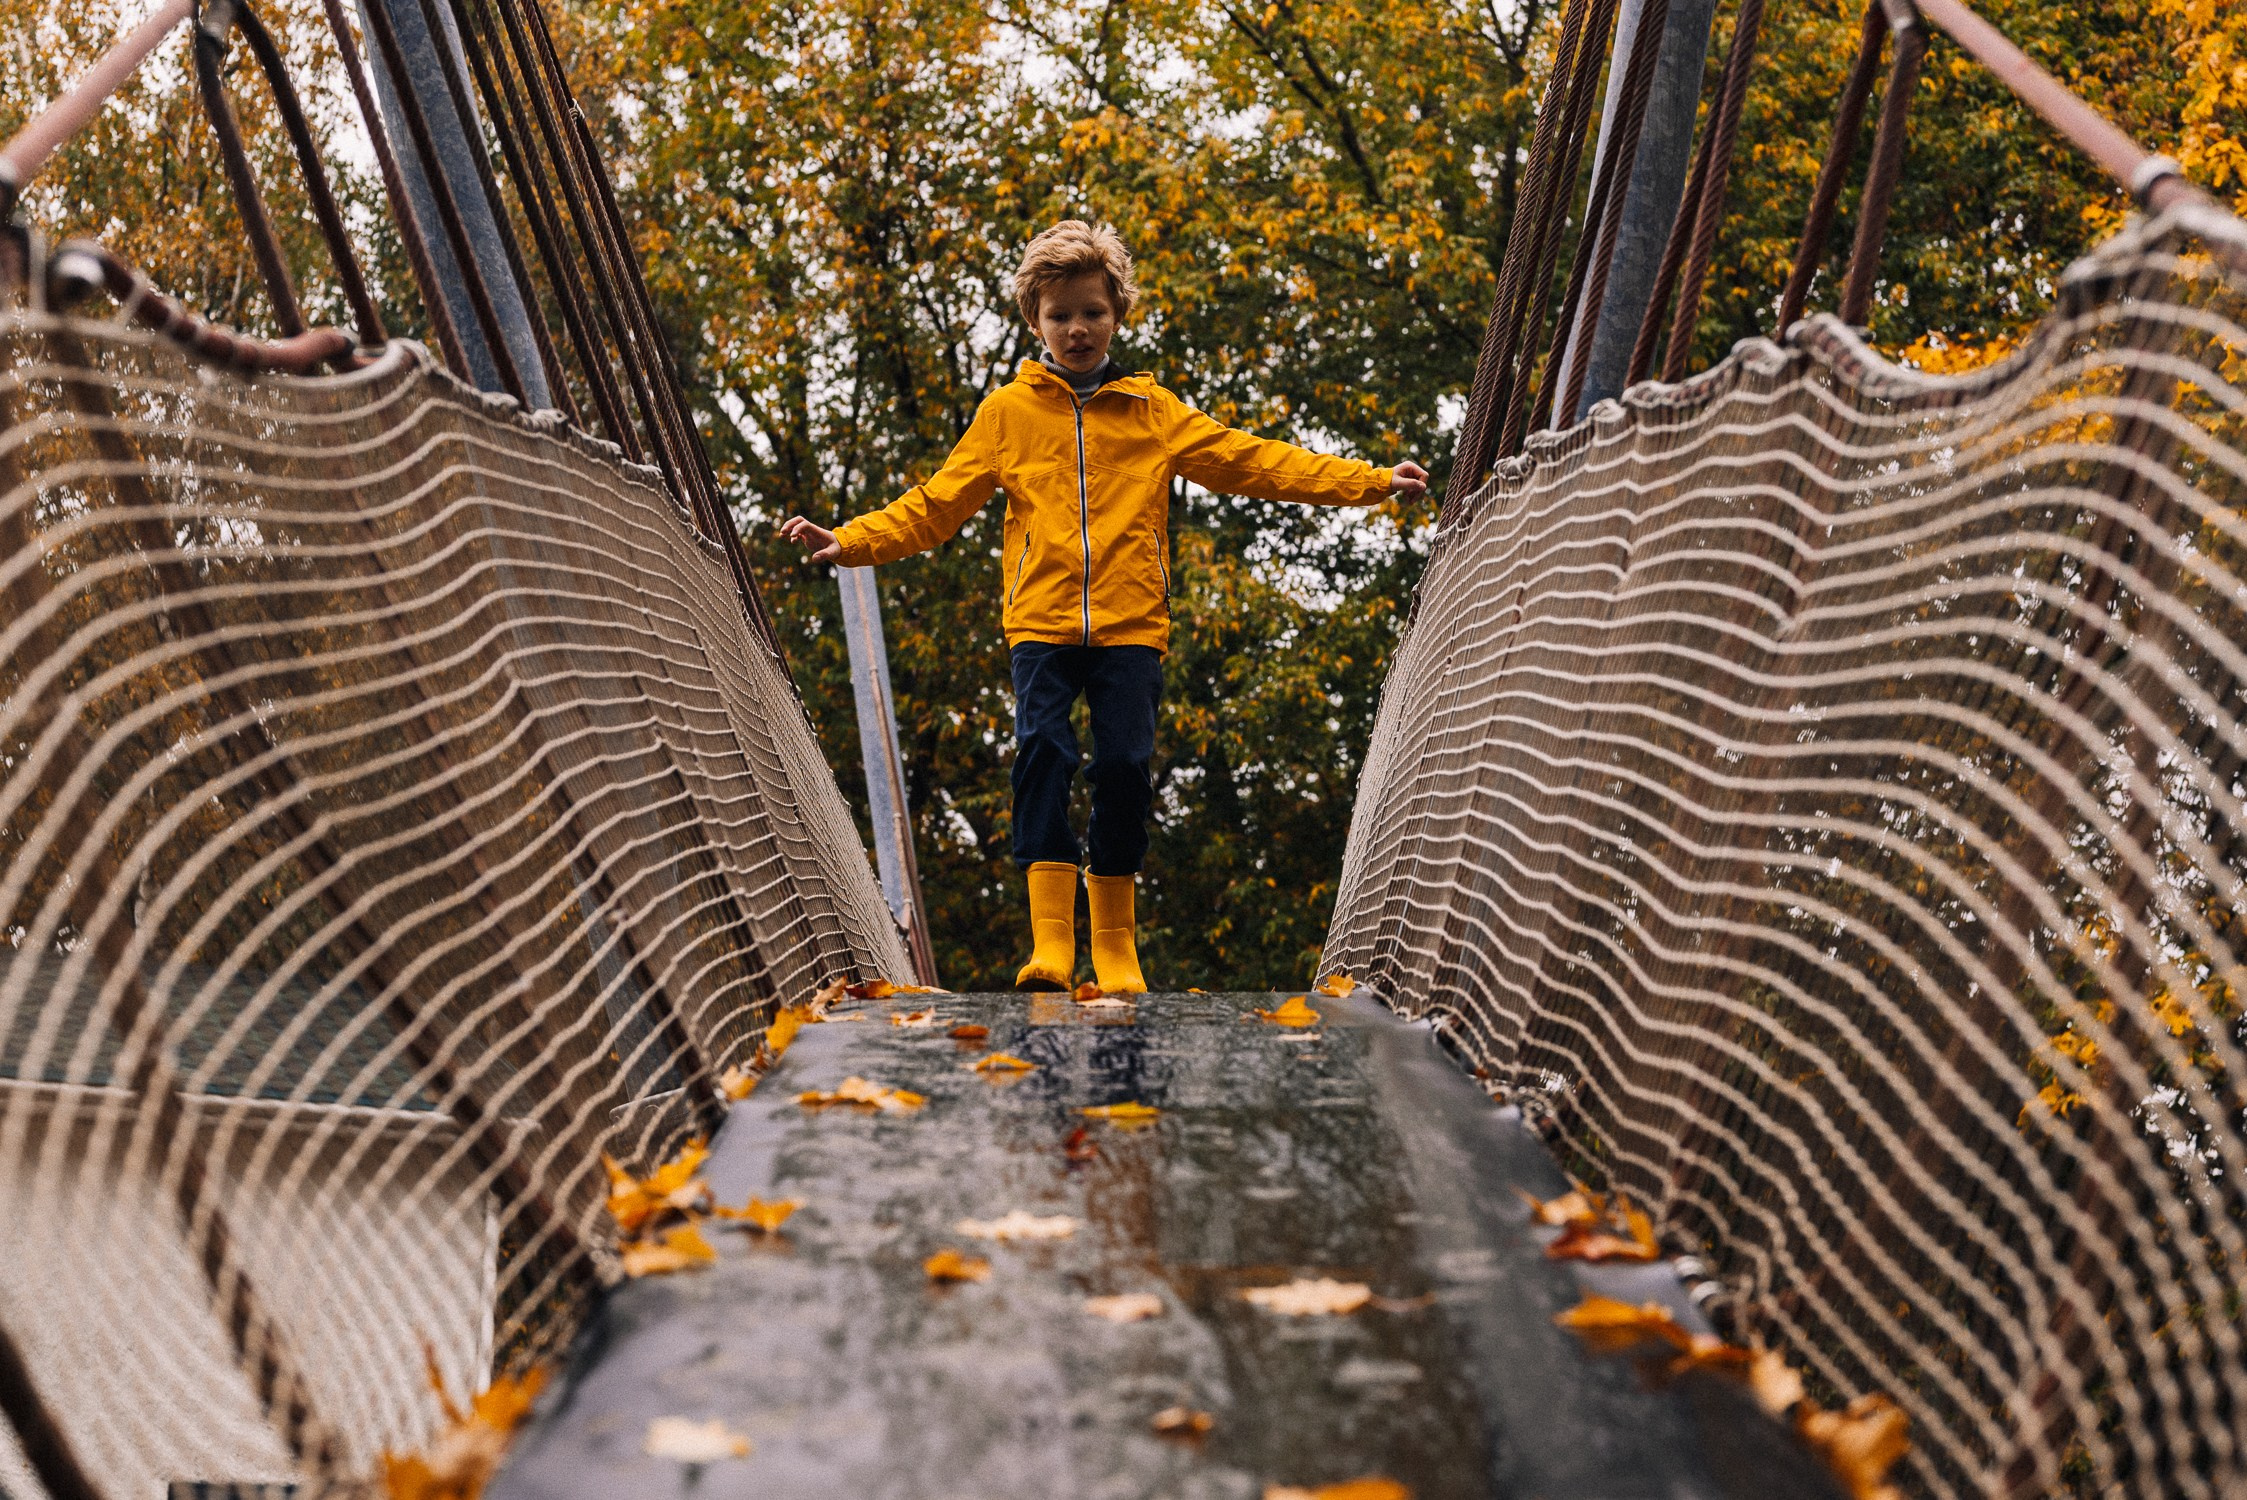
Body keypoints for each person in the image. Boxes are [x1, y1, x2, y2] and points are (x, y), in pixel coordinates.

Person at [780, 220, 1427, 994]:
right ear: (1034, 322)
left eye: (1091, 312)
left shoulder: (1151, 413)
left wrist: (1369, 480)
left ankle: (1115, 946)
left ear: (1116, 313)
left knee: (1123, 769)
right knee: (1043, 755)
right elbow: (935, 506)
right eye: (1059, 315)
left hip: (1129, 625)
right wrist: (847, 540)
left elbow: (1253, 460)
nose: (1076, 329)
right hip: (1042, 625)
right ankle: (1052, 944)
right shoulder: (1007, 416)